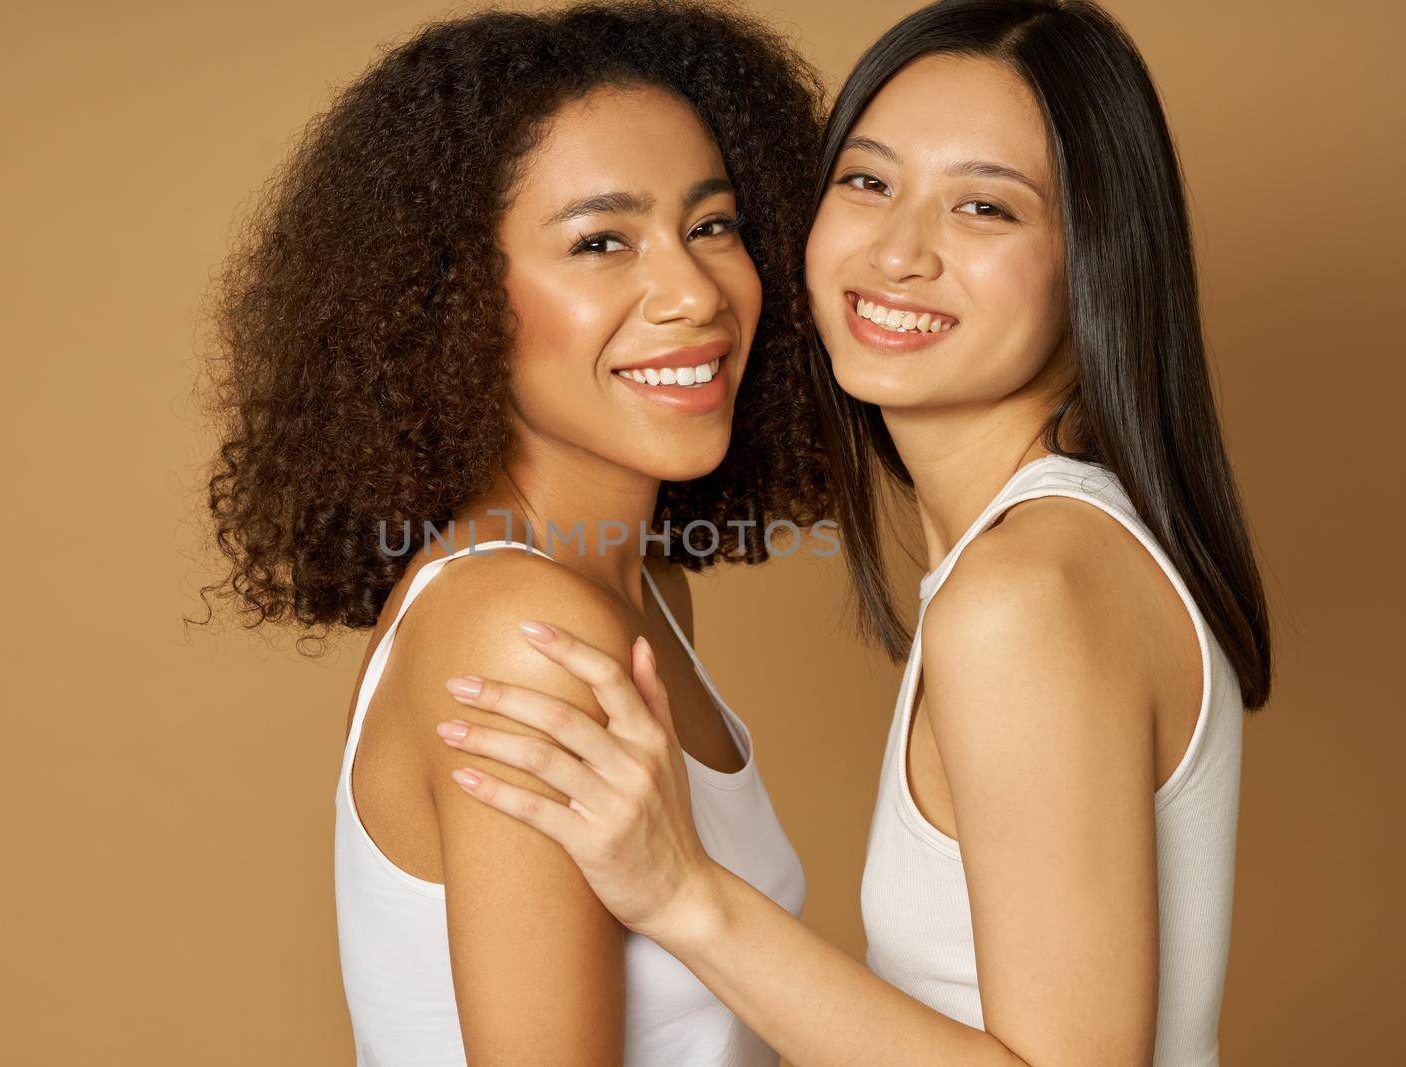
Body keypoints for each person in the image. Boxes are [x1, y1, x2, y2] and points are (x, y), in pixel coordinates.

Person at [432, 1, 1273, 1064]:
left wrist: (684, 894)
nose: (898, 251)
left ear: (1094, 258)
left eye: (984, 208)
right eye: (868, 182)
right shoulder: (1065, 551)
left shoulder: (1027, 595)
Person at [196, 1, 833, 1063]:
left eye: (712, 224)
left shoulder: (636, 593)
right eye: (600, 241)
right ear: (451, 303)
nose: (691, 290)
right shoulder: (521, 629)